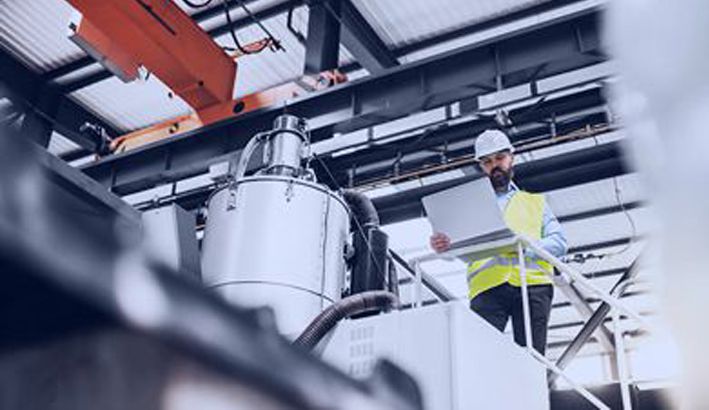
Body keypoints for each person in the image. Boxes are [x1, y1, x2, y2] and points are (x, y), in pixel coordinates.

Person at [429, 129, 567, 355]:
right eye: (487, 161)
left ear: (512, 158)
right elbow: (460, 249)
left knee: (532, 360)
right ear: (481, 167)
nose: (494, 165)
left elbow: (559, 243)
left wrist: (524, 247)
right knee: (482, 357)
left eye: (500, 158)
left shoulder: (535, 203)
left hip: (532, 287)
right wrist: (444, 247)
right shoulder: (469, 207)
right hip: (487, 288)